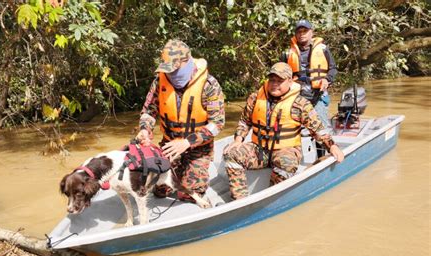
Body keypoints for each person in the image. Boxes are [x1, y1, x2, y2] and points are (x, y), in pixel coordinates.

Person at [223, 62, 344, 200]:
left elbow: (318, 130)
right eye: (272, 80)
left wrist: (332, 146)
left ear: (290, 81)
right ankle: (240, 199)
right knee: (230, 152)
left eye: (279, 81)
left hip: (286, 149)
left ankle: (272, 198)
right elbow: (245, 121)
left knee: (286, 162)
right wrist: (238, 139)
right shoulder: (255, 98)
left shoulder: (300, 104)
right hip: (259, 149)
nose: (274, 84)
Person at [136, 39, 225, 202]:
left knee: (190, 192)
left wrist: (187, 142)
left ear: (186, 61)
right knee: (160, 190)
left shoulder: (209, 85)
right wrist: (144, 129)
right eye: (167, 69)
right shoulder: (159, 82)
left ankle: (193, 180)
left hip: (198, 147)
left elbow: (217, 124)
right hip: (170, 143)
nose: (170, 74)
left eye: (174, 69)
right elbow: (149, 111)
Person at [281, 19, 338, 130]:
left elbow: (333, 69)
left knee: (322, 128)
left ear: (311, 32)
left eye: (305, 31)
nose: (302, 34)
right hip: (296, 96)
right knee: (293, 127)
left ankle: (327, 146)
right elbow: (281, 76)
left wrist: (327, 79)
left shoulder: (323, 49)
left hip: (318, 95)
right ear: (295, 34)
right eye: (299, 32)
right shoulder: (287, 54)